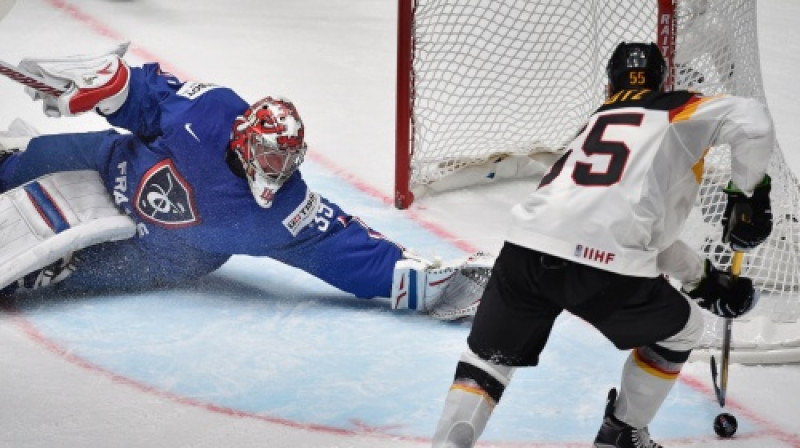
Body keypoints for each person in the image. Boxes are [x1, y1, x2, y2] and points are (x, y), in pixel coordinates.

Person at [430, 42, 774, 448]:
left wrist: (703, 280)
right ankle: (622, 433)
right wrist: (748, 195)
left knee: (486, 365)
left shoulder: (592, 125)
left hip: (525, 249)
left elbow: (622, 228)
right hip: (605, 268)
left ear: (608, 86)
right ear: (663, 80)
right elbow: (752, 120)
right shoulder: (678, 107)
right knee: (683, 330)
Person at [0, 43, 491, 320]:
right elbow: (148, 97)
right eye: (269, 157)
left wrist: (427, 284)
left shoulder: (283, 212)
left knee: (52, 268)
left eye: (286, 160)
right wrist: (111, 85)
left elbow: (346, 247)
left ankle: (42, 270)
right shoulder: (209, 111)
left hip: (160, 255)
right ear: (243, 140)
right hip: (109, 164)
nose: (276, 171)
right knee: (18, 166)